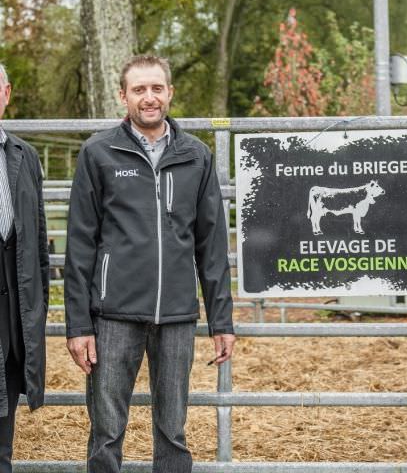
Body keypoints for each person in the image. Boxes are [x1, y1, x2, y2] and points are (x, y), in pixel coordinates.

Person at [64, 55, 235, 473]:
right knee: (106, 430)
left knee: (173, 431)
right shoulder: (99, 152)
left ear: (170, 93)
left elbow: (211, 245)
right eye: (139, 89)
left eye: (157, 88)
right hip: (113, 315)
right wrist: (78, 326)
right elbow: (80, 242)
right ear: (122, 96)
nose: (149, 97)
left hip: (176, 314)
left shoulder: (196, 155)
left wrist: (221, 321)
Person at [0, 63, 49, 473]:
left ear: (7, 94)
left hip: (13, 312)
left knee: (4, 427)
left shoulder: (24, 155)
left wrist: (37, 313)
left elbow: (37, 241)